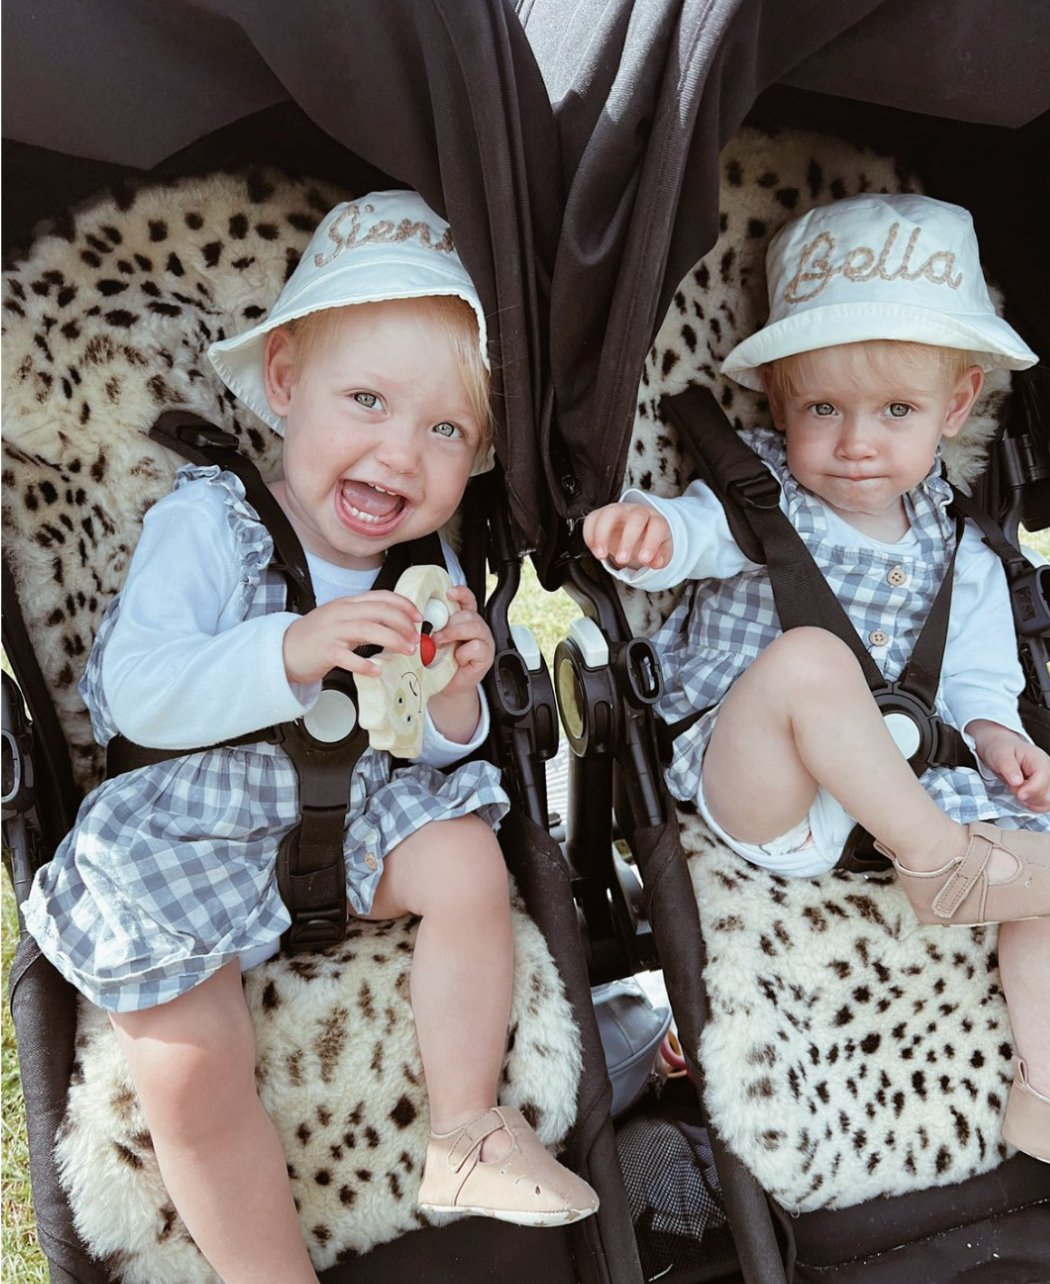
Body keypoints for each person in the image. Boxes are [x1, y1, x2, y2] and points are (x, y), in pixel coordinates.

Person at [25, 190, 597, 1284]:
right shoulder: (211, 519)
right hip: (194, 816)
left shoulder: (428, 566)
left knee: (469, 862)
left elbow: (430, 755)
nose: (400, 453)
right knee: (188, 1064)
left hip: (350, 812)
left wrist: (455, 696)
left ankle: (466, 1131)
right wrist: (291, 648)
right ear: (285, 386)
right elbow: (135, 692)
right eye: (368, 401)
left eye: (443, 431)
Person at [583, 193, 1050, 1164]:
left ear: (956, 408)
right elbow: (692, 541)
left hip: (897, 788)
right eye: (823, 409)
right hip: (763, 788)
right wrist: (653, 535)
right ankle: (937, 866)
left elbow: (976, 676)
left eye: (897, 412)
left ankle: (1041, 1093)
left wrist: (1000, 736)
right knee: (809, 662)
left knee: (1046, 871)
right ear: (780, 405)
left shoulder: (958, 544)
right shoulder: (760, 493)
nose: (857, 442)